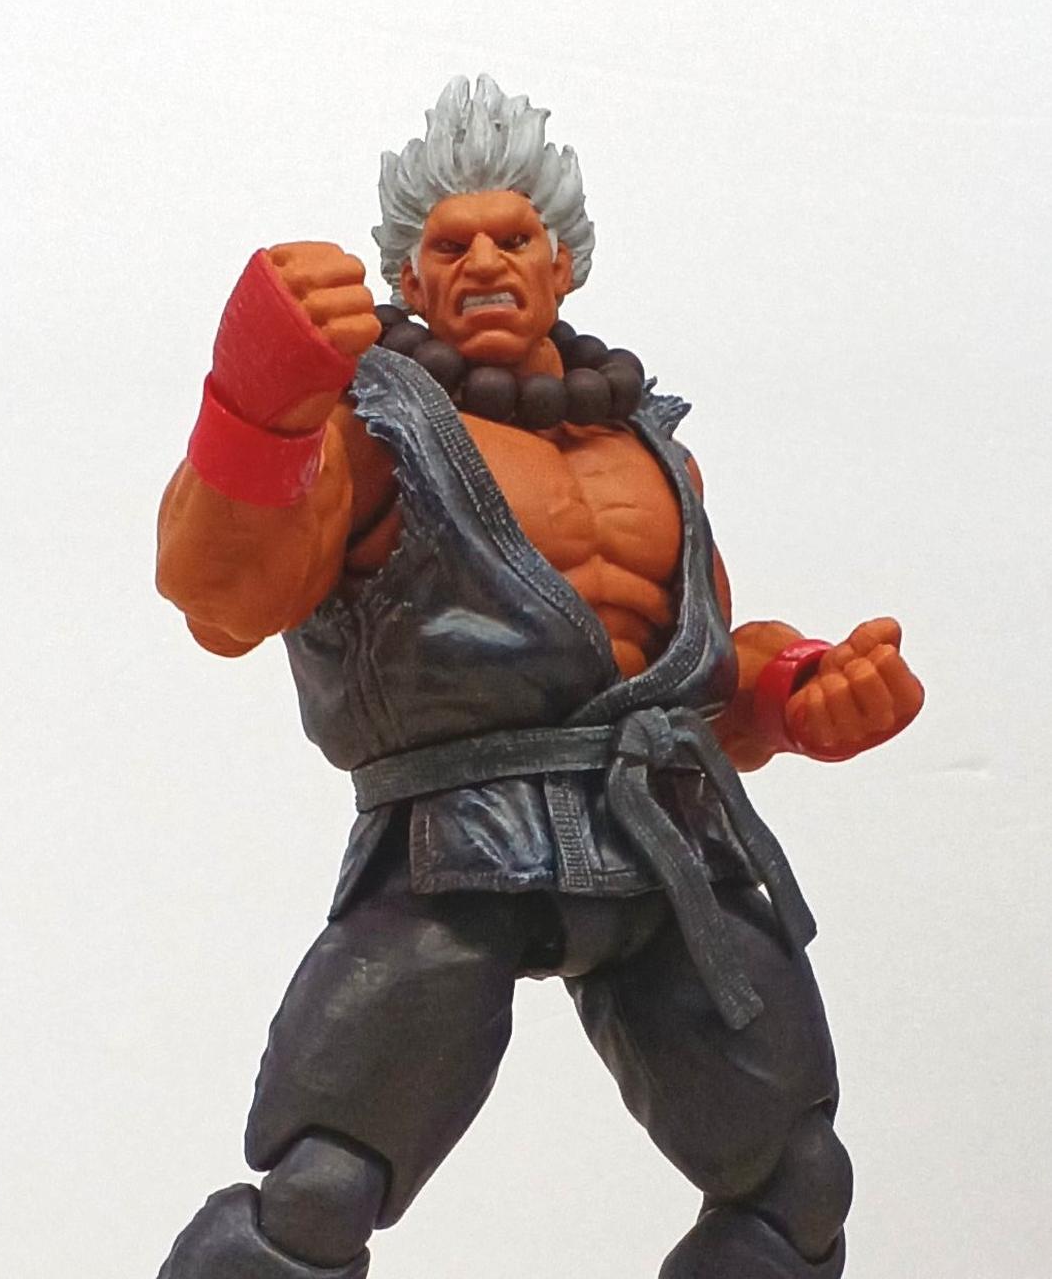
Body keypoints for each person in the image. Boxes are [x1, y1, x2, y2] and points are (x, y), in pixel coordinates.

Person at [155, 74, 923, 1279]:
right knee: (316, 1193)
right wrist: (254, 407)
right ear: (407, 278)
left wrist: (797, 690)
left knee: (798, 1184)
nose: (481, 263)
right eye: (446, 245)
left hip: (661, 837)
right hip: (455, 843)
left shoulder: (648, 445)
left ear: (561, 263)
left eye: (511, 238)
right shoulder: (364, 425)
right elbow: (222, 601)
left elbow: (694, 675)